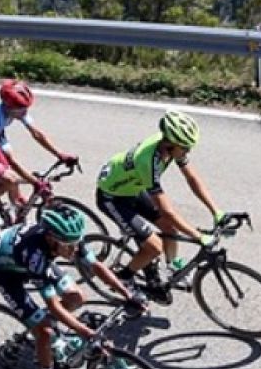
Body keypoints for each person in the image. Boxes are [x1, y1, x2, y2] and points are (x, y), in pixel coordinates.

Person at [0, 206, 145, 369]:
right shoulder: (35, 256)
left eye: (76, 244)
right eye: (68, 246)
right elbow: (53, 304)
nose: (73, 250)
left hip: (28, 256)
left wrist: (128, 295)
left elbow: (96, 266)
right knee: (45, 331)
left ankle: (39, 329)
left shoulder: (70, 237)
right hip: (6, 273)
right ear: (52, 239)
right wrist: (83, 330)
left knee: (77, 297)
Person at [94, 110, 225, 304]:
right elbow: (168, 211)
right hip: (112, 197)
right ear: (170, 145)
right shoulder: (147, 161)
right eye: (185, 148)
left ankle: (172, 265)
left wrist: (216, 211)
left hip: (132, 187)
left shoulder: (170, 146)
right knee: (155, 246)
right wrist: (199, 237)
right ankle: (124, 277)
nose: (188, 152)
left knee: (169, 229)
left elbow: (192, 178)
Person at [0, 79, 77, 227]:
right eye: (21, 109)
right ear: (8, 106)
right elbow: (11, 159)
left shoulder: (14, 107)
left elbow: (36, 133)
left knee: (13, 180)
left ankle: (17, 211)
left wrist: (59, 154)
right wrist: (35, 182)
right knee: (9, 180)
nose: (24, 112)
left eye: (26, 108)